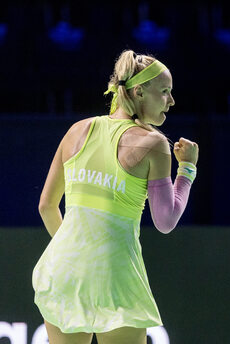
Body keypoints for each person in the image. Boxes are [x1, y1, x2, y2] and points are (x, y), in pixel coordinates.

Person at [32, 50, 199, 344]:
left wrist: (76, 254)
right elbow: (166, 221)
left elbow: (46, 206)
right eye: (164, 92)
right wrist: (187, 169)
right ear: (138, 92)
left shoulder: (76, 131)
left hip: (63, 273)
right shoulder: (155, 144)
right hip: (115, 279)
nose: (171, 101)